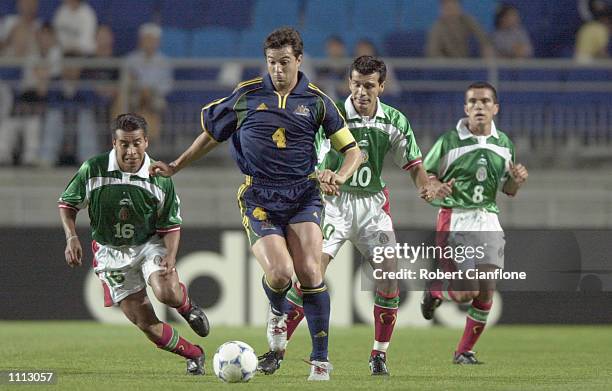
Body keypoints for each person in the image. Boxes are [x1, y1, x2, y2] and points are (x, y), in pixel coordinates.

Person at [150, 27, 362, 381]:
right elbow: (212, 135)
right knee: (280, 274)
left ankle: (320, 361)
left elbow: (353, 151)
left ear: (298, 60)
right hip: (260, 195)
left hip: (303, 193)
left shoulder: (318, 101)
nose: (277, 70)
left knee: (310, 272)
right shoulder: (246, 95)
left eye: (284, 62)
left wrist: (339, 176)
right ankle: (278, 312)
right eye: (271, 62)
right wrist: (177, 165)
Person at [258, 55, 436, 376]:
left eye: (369, 85)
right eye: (356, 84)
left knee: (388, 275)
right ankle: (277, 351)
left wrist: (425, 186)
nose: (361, 92)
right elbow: (316, 155)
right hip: (334, 206)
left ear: (382, 86)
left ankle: (379, 355)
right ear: (348, 83)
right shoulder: (333, 114)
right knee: (310, 276)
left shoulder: (394, 120)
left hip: (373, 208)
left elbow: (412, 162)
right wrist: (324, 174)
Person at [58, 113, 210, 375]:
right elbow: (68, 204)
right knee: (146, 323)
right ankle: (194, 354)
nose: (131, 151)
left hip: (148, 244)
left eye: (137, 143)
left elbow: (171, 224)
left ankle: (186, 306)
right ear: (114, 143)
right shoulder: (93, 169)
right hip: (110, 252)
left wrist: (171, 256)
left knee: (167, 293)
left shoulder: (159, 177)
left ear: (146, 142)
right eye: (124, 144)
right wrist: (71, 236)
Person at [420, 82, 528, 364]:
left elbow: (508, 190)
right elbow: (425, 176)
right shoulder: (448, 141)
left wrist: (516, 181)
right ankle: (435, 291)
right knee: (466, 291)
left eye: (485, 101)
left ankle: (463, 351)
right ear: (466, 108)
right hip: (455, 218)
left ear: (495, 108)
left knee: (487, 290)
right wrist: (436, 185)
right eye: (473, 102)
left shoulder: (504, 144)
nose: (479, 106)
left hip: (488, 218)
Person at [125, 23, 173, 142]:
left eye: (152, 40)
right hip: (135, 95)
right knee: (131, 102)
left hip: (155, 96)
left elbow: (167, 85)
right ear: (141, 40)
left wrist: (151, 91)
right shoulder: (130, 59)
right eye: (147, 39)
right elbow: (127, 81)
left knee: (154, 105)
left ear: (158, 42)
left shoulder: (165, 61)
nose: (149, 43)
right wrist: (141, 90)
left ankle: (149, 141)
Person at [426, 0, 493, 58]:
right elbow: (432, 52)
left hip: (466, 62)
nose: (451, 11)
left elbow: (483, 37)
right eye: (448, 7)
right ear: (442, 9)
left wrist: (486, 47)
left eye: (454, 6)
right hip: (447, 67)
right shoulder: (437, 27)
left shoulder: (467, 20)